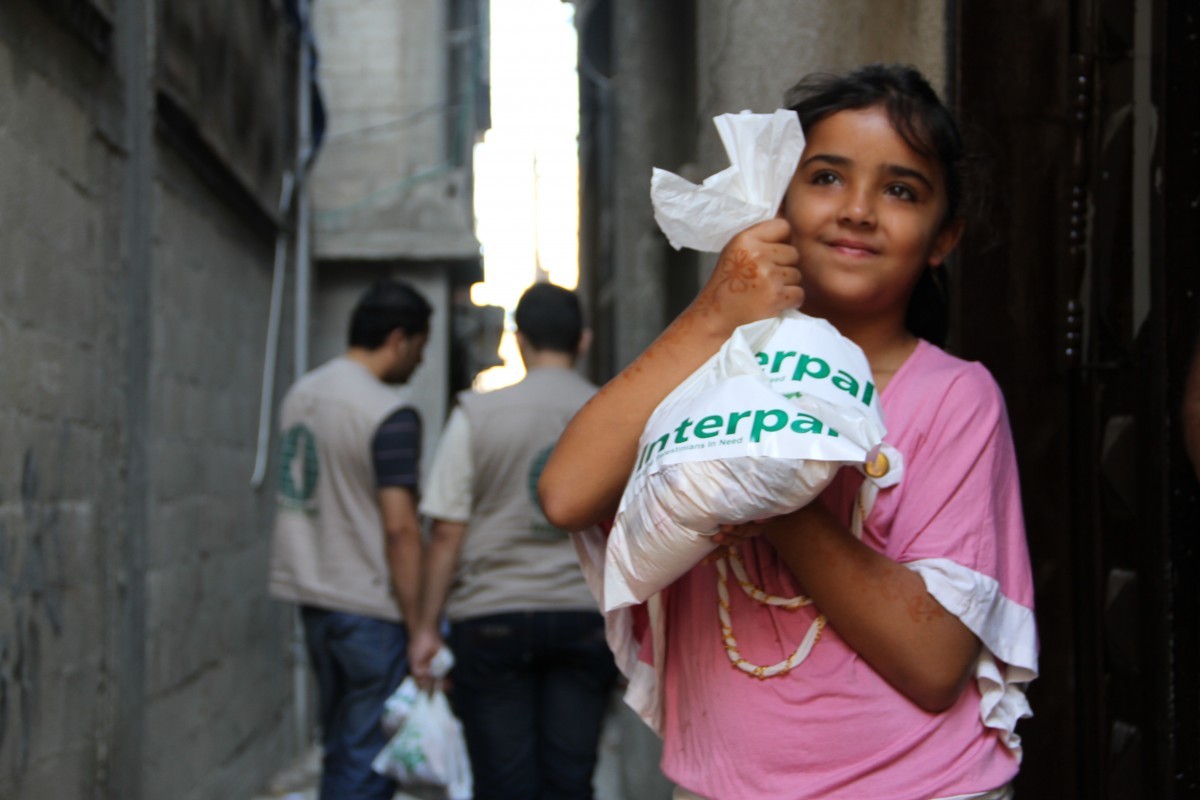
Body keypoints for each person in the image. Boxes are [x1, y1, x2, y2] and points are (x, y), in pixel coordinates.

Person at [539, 64, 1039, 799]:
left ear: (944, 237)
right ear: (776, 198)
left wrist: (767, 478)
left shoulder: (954, 398)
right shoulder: (702, 375)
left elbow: (935, 665)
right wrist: (713, 318)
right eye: (826, 177)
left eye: (901, 190)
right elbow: (565, 493)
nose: (859, 210)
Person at [409, 282, 618, 800]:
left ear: (518, 340)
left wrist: (425, 628)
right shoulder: (614, 411)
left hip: (490, 620)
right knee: (570, 781)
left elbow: (447, 531)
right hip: (586, 618)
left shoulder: (476, 415)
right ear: (584, 341)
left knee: (503, 783)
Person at [269, 278, 432, 800]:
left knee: (340, 744)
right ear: (399, 339)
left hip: (313, 596)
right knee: (365, 761)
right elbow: (401, 529)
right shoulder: (388, 412)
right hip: (369, 608)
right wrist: (420, 626)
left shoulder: (303, 393)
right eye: (421, 348)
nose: (420, 363)